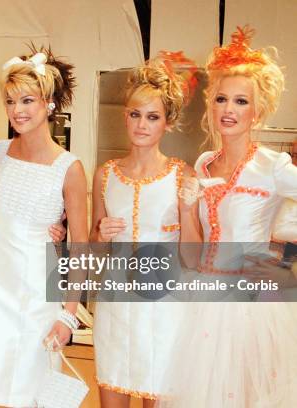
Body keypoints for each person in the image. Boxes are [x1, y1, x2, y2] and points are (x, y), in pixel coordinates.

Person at [160, 26, 297, 407]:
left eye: (241, 101)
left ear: (258, 110)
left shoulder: (275, 166)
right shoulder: (203, 166)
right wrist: (187, 209)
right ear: (211, 105)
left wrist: (289, 265)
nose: (229, 110)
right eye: (222, 99)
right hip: (203, 303)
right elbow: (192, 254)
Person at [0, 46, 89, 407]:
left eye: (27, 100)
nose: (17, 111)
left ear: (49, 103)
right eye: (10, 102)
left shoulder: (69, 168)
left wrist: (68, 316)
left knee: (23, 396)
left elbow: (82, 248)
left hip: (35, 295)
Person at [90, 52, 200, 407]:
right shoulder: (105, 174)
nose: (141, 124)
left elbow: (193, 255)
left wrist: (186, 210)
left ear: (167, 123)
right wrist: (99, 234)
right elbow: (92, 250)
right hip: (115, 305)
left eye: (152, 117)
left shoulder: (182, 175)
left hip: (164, 308)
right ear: (125, 117)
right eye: (135, 115)